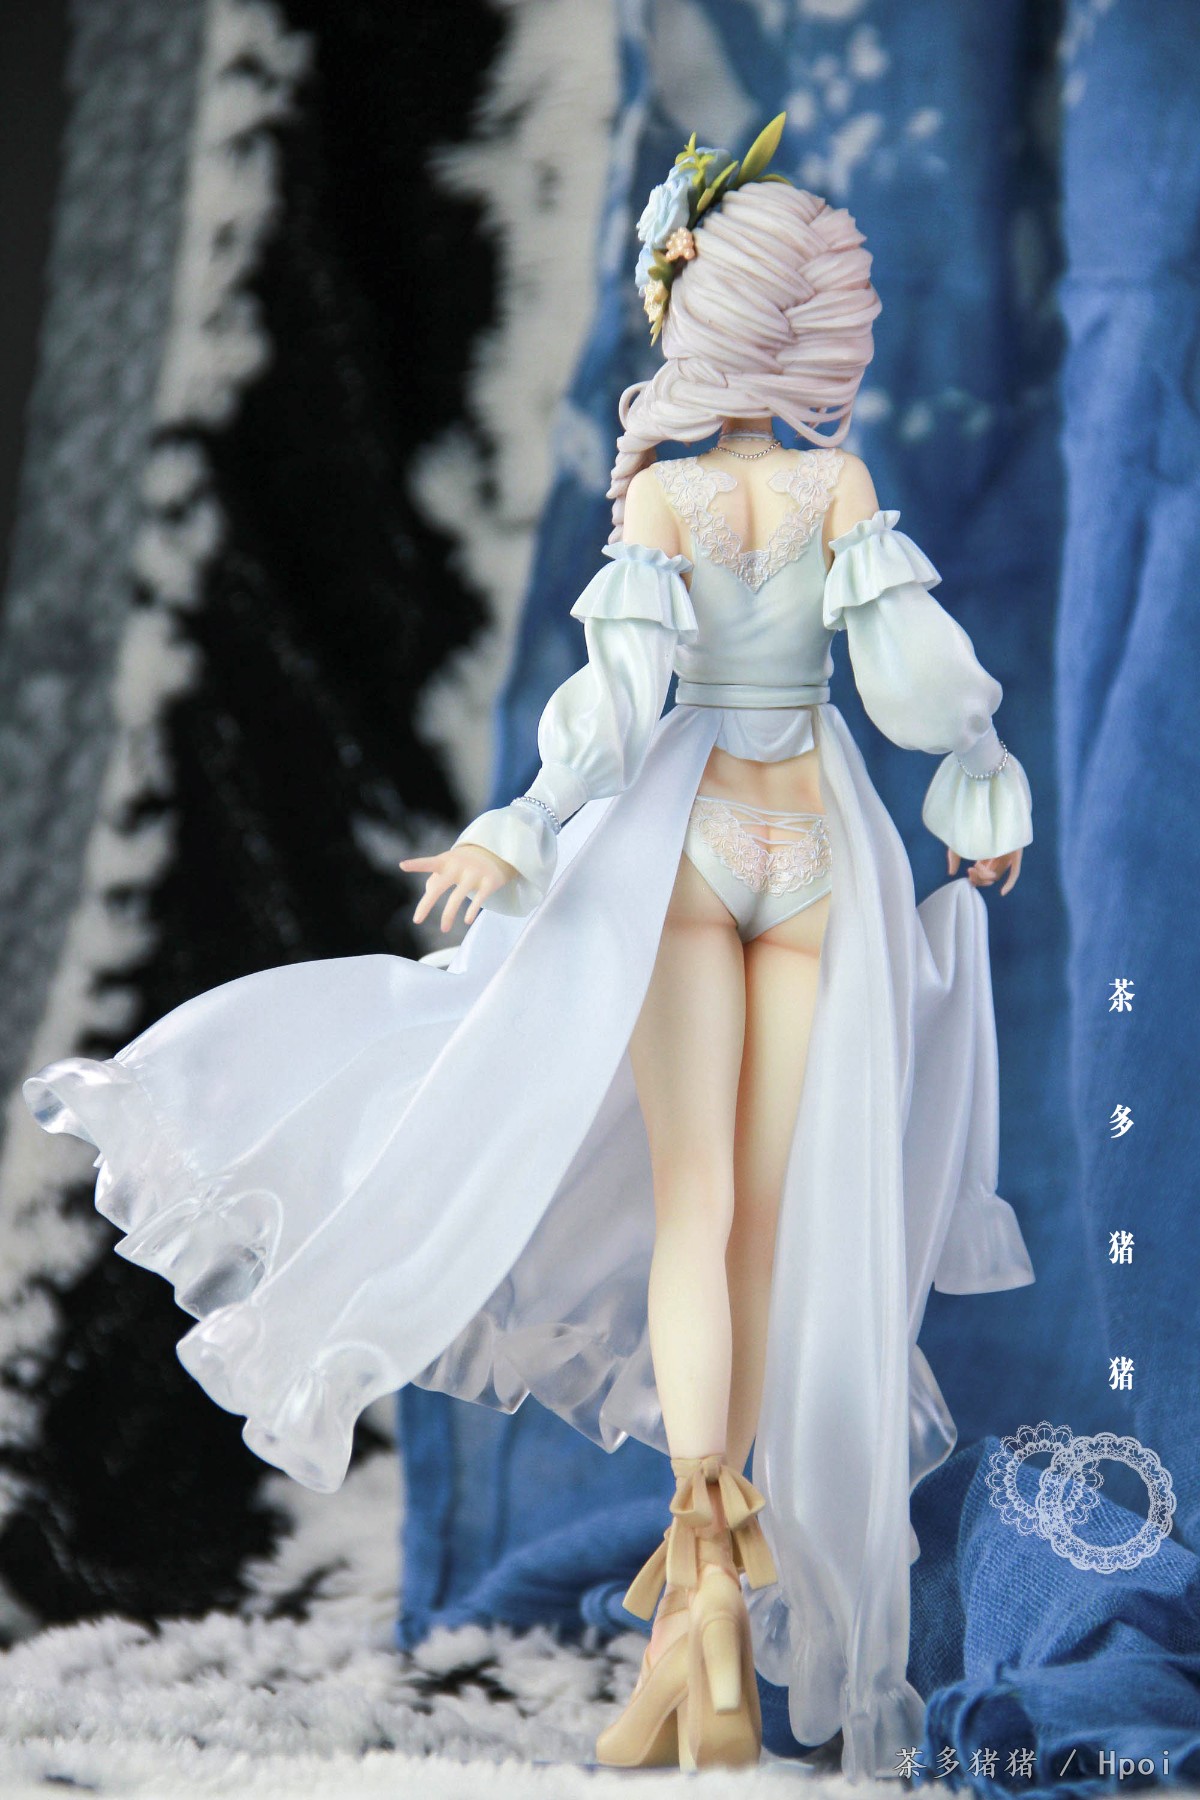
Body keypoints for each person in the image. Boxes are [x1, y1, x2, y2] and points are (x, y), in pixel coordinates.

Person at [23, 118, 1035, 1780]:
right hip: (819, 840)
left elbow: (616, 705)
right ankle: (712, 1624)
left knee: (699, 1214)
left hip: (690, 839)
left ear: (699, 314)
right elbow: (916, 678)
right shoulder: (834, 488)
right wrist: (981, 777)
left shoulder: (675, 498)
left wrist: (530, 819)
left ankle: (703, 1610)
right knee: (765, 1227)